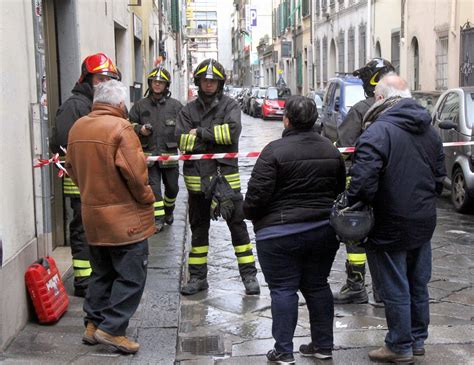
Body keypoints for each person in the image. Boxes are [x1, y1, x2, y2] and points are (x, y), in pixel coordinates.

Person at [345, 74, 446, 363]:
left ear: (380, 99)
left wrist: (353, 204)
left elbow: (363, 183)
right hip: (423, 219)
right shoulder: (429, 131)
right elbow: (439, 179)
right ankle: (416, 341)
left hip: (388, 221)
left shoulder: (377, 133)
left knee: (395, 285)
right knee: (417, 283)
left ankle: (399, 345)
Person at [243, 96, 346, 364]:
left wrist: (252, 217)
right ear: (314, 119)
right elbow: (339, 191)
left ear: (286, 119)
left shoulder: (273, 151)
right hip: (323, 231)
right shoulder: (331, 150)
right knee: (317, 286)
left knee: (283, 290)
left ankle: (284, 351)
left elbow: (256, 196)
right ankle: (323, 346)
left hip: (279, 234)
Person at [65, 80, 155, 354]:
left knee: (101, 273)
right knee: (131, 276)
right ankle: (113, 329)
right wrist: (148, 199)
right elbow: (135, 175)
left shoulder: (78, 127)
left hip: (93, 215)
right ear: (118, 103)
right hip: (124, 220)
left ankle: (92, 325)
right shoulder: (122, 128)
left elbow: (70, 168)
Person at [176, 58, 260, 296]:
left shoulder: (231, 106)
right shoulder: (187, 110)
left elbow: (232, 133)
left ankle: (249, 276)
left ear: (220, 83)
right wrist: (214, 136)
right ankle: (198, 277)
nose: (209, 84)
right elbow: (181, 140)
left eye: (213, 81)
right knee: (198, 229)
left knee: (238, 228)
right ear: (198, 81)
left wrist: (200, 133)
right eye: (205, 80)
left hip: (226, 177)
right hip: (197, 181)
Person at [50, 52, 119, 297]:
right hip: (80, 182)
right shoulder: (75, 106)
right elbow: (61, 144)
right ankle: (83, 282)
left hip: (99, 182)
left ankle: (97, 277)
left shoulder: (100, 106)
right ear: (87, 79)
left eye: (108, 80)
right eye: (99, 79)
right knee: (82, 231)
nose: (103, 84)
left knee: (98, 231)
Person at [333, 58, 395, 304]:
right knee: (384, 236)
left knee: (356, 234)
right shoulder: (403, 106)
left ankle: (356, 286)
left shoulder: (361, 109)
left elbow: (346, 147)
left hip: (364, 181)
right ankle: (383, 291)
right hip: (394, 184)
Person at [129, 66, 183, 232]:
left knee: (173, 188)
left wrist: (186, 149)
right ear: (150, 83)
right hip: (149, 157)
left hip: (170, 157)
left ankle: (168, 211)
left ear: (166, 85)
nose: (157, 84)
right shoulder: (139, 106)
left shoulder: (176, 106)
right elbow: (128, 126)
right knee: (154, 191)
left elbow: (183, 130)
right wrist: (140, 130)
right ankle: (157, 220)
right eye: (154, 81)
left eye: (161, 82)